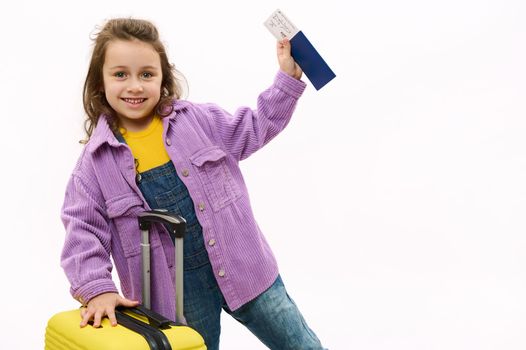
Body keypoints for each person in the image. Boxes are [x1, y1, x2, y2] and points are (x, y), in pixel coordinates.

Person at [60, 17, 325, 350]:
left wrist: (286, 80)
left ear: (163, 78)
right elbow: (82, 232)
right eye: (119, 74)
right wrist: (97, 289)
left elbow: (254, 127)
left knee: (302, 345)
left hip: (245, 267)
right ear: (100, 83)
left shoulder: (197, 121)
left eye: (146, 74)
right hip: (176, 299)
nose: (135, 86)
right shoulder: (94, 167)